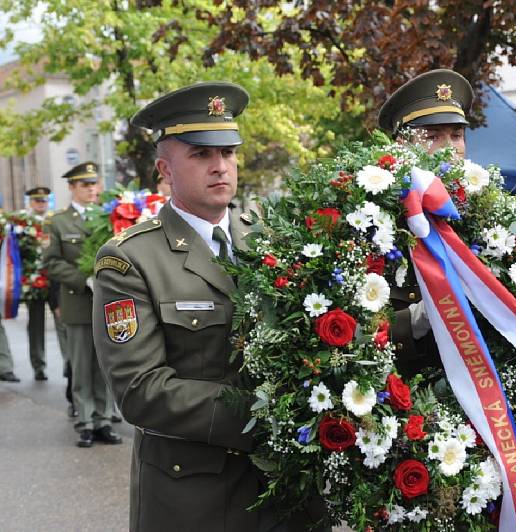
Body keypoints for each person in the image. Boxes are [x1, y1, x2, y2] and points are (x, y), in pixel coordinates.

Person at [92, 82, 327, 531]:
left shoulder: (270, 239)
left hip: (288, 494)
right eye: (201, 154)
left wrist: (413, 323)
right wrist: (268, 412)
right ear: (165, 169)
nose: (220, 166)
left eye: (229, 153)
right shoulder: (130, 259)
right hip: (195, 497)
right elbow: (140, 390)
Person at [377, 69, 474, 376]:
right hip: (407, 396)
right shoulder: (374, 220)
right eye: (433, 136)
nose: (450, 148)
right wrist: (417, 319)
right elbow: (355, 332)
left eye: (456, 135)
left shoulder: (486, 214)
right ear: (401, 146)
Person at [43, 163, 120, 447]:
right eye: (84, 185)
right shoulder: (58, 221)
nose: (91, 189)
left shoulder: (108, 216)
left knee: (104, 365)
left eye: (93, 184)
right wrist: (81, 279)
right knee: (81, 365)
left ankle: (103, 419)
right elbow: (50, 262)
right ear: (73, 187)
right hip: (77, 302)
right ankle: (85, 422)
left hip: (107, 304)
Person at [21, 186, 53, 381]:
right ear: (31, 203)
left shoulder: (54, 220)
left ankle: (69, 364)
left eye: (44, 201)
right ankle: (38, 365)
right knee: (35, 326)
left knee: (63, 326)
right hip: (34, 283)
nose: (42, 204)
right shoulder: (22, 224)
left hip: (55, 281)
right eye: (38, 201)